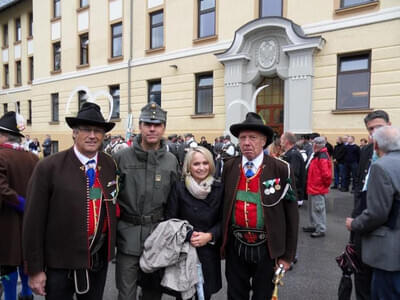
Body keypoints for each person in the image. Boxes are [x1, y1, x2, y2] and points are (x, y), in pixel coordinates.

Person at [23, 102, 119, 300]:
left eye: (98, 130)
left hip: (96, 262)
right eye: (86, 129)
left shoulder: (109, 164)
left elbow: (100, 200)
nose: (92, 135)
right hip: (60, 265)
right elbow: (33, 222)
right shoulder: (49, 167)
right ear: (74, 133)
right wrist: (34, 270)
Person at [221, 112, 299, 300]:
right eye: (242, 138)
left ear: (264, 141)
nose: (247, 142)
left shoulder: (281, 168)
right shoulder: (229, 166)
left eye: (253, 138)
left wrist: (287, 256)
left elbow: (292, 216)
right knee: (235, 295)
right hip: (236, 247)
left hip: (267, 250)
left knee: (262, 296)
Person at [113, 102, 179, 300]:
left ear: (164, 128)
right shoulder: (121, 158)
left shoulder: (171, 161)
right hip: (127, 237)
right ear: (139, 126)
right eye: (147, 124)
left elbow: (176, 200)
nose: (152, 129)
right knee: (126, 294)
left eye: (157, 124)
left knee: (153, 293)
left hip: (157, 238)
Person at [346, 125, 400, 300]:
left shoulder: (381, 167)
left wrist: (354, 224)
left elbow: (377, 212)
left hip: (388, 255)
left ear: (376, 145)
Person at [166, 146, 223, 300]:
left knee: (205, 294)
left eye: (205, 163)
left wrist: (210, 236)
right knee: (183, 295)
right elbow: (170, 219)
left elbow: (224, 220)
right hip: (184, 251)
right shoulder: (179, 188)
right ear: (188, 166)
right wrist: (190, 235)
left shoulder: (218, 189)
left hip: (208, 251)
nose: (201, 168)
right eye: (196, 164)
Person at [350, 110, 391, 300]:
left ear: (389, 126)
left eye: (379, 127)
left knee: (383, 286)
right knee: (361, 279)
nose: (375, 132)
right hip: (360, 225)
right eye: (371, 129)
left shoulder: (395, 153)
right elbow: (359, 185)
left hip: (386, 232)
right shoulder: (366, 151)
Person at [0, 111, 38, 300]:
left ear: (3, 135)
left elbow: (2, 190)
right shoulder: (32, 158)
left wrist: (22, 204)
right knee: (24, 259)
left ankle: (10, 297)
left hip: (6, 221)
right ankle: (27, 293)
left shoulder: (1, 156)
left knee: (7, 263)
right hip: (29, 222)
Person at [302, 136, 332, 238]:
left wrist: (323, 186)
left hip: (317, 188)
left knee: (318, 209)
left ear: (318, 145)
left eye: (314, 144)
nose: (313, 146)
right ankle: (314, 225)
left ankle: (320, 229)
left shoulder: (322, 156)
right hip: (313, 187)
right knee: (313, 209)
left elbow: (326, 175)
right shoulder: (318, 154)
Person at [281, 132, 306, 207]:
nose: (280, 142)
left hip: (292, 193)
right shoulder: (290, 153)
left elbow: (293, 175)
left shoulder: (294, 154)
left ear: (286, 141)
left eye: (282, 139)